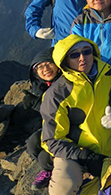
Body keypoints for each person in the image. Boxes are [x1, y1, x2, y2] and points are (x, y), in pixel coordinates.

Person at [40, 35, 111, 195]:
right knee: (63, 189)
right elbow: (51, 141)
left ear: (94, 53)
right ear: (64, 61)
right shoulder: (57, 94)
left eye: (87, 51)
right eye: (74, 55)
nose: (82, 58)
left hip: (107, 149)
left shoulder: (107, 75)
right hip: (73, 154)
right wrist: (86, 156)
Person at [23, 48, 61, 190]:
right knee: (32, 143)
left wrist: (37, 103)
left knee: (44, 158)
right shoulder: (42, 86)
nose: (45, 69)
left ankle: (55, 168)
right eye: (39, 67)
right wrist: (35, 101)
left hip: (68, 127)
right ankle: (48, 170)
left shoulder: (65, 82)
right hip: (52, 126)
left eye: (48, 63)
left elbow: (59, 111)